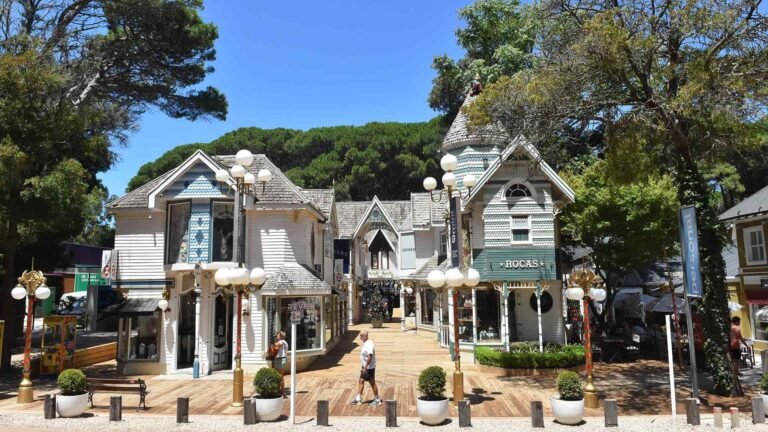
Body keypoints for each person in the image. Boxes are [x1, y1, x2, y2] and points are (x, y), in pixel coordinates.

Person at [349, 330, 381, 406]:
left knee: (372, 383)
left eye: (361, 336)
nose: (360, 337)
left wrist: (365, 367)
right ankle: (358, 398)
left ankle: (377, 400)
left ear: (365, 336)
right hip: (365, 367)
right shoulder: (366, 343)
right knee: (361, 381)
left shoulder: (369, 344)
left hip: (369, 367)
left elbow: (370, 356)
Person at [272, 331, 289, 397]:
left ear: (281, 336)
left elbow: (275, 346)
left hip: (281, 359)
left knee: (280, 376)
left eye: (278, 335)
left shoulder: (281, 342)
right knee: (279, 375)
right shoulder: (285, 342)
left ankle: (282, 391)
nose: (276, 336)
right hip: (280, 359)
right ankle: (280, 390)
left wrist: (273, 343)